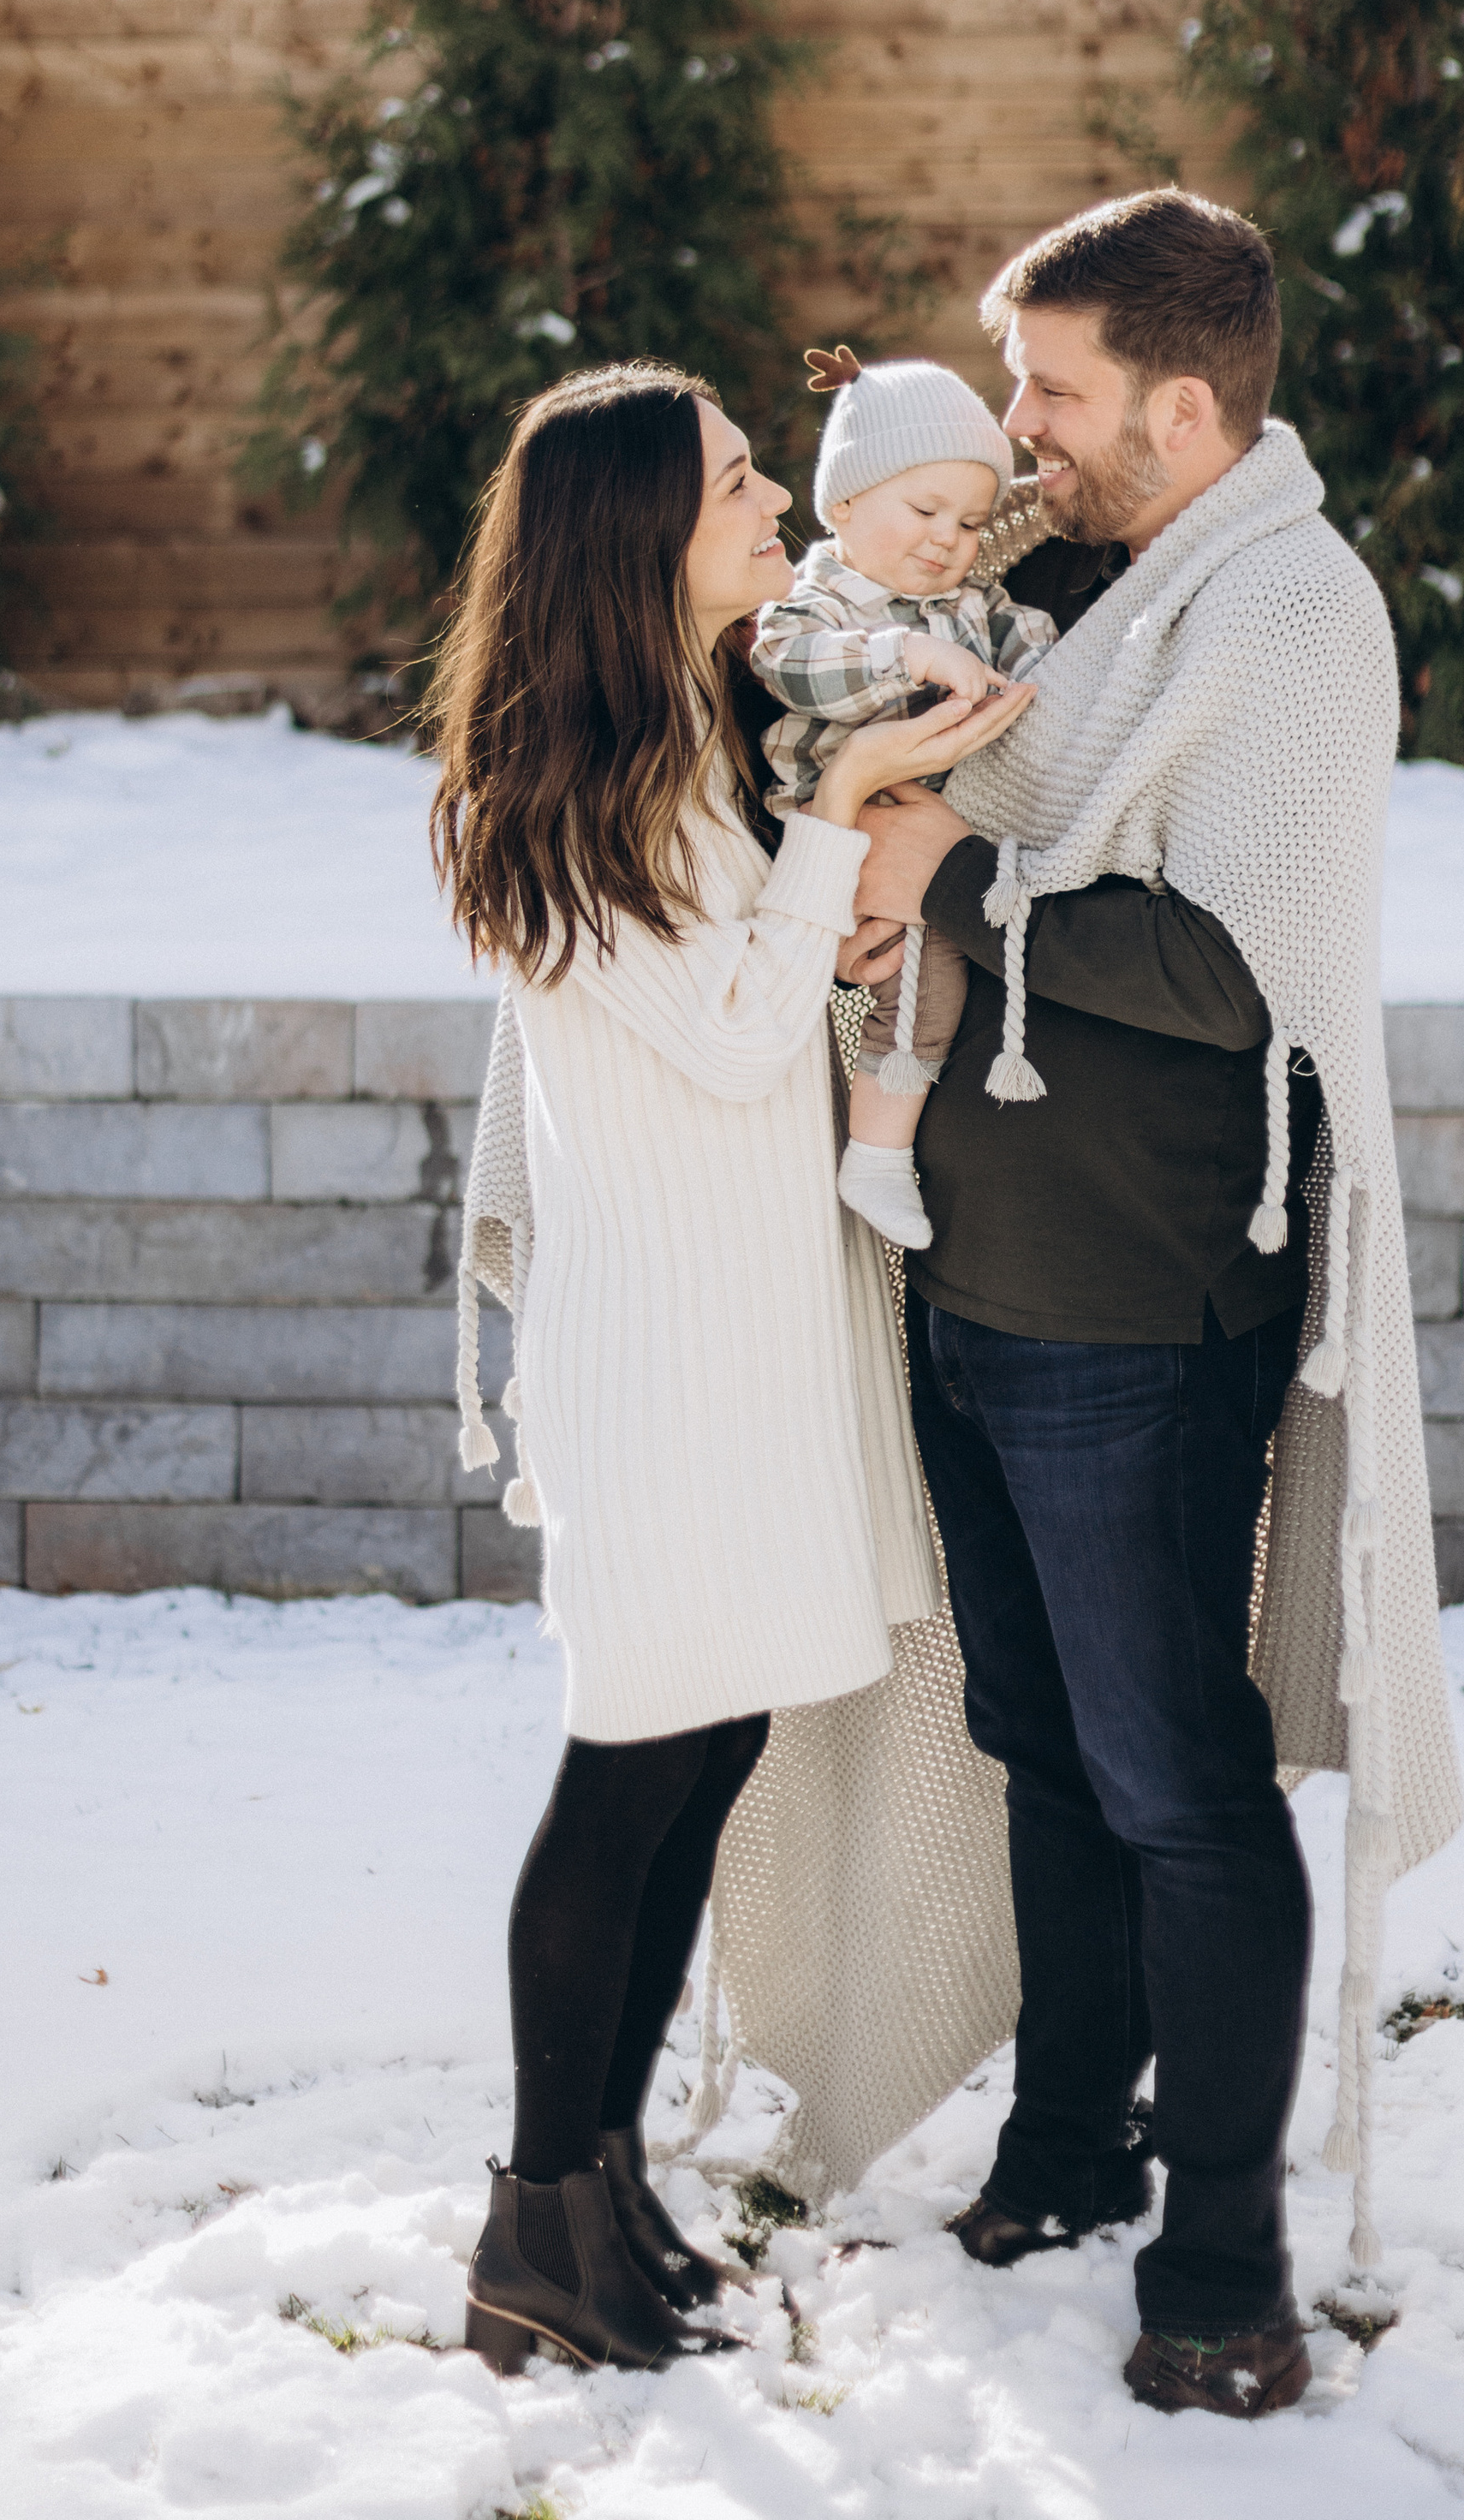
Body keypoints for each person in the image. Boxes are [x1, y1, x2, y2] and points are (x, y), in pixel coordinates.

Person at [837, 188, 1464, 2422]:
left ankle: (1221, 2268)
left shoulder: (1287, 616)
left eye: (1057, 391)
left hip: (1133, 1300)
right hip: (983, 1274)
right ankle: (1068, 2143)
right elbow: (1005, 775)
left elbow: (1235, 971)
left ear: (1181, 407)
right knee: (1044, 1748)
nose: (1023, 428)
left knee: (1179, 1778)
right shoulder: (1114, 597)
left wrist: (957, 868)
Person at [428, 358, 1033, 2377]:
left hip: (747, 1337)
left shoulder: (689, 734)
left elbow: (755, 991)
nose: (777, 499)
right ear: (629, 540)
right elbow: (721, 1041)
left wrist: (831, 886)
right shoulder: (538, 791)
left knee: (702, 1767)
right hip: (658, 1361)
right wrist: (842, 834)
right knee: (625, 1775)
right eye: (734, 483)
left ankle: (603, 2184)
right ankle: (529, 2221)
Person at [750, 344, 1059, 1251]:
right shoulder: (819, 605)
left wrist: (1035, 667)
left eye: (969, 522)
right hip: (842, 831)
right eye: (923, 510)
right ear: (842, 503)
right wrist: (907, 658)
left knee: (942, 961)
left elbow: (1036, 652)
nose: (947, 540)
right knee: (924, 983)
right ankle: (877, 1154)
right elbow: (791, 669)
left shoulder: (973, 600)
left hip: (939, 821)